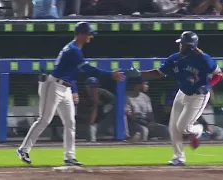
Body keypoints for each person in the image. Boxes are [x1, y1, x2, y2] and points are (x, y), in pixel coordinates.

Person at [16, 21, 124, 166]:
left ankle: (69, 156)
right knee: (45, 119)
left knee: (70, 122)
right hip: (53, 86)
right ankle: (23, 149)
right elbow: (87, 69)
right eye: (88, 34)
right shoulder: (72, 49)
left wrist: (73, 90)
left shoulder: (76, 49)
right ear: (80, 34)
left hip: (65, 87)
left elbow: (71, 73)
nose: (90, 37)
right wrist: (110, 74)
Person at [139, 31, 223, 166]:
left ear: (191, 46)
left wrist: (208, 86)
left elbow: (219, 75)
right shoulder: (175, 58)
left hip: (198, 96)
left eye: (184, 45)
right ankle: (178, 157)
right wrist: (139, 73)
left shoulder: (203, 59)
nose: (181, 47)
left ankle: (198, 130)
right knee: (173, 127)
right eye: (181, 44)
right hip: (182, 92)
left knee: (183, 127)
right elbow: (158, 73)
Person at [126, 77, 170, 141]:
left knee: (166, 130)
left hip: (146, 122)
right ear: (137, 85)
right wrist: (138, 119)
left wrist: (152, 123)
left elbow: (150, 114)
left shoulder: (145, 97)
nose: (147, 86)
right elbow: (128, 114)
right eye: (145, 84)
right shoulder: (126, 96)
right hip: (133, 123)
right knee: (144, 130)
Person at [77, 77, 116, 142]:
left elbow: (116, 100)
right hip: (86, 122)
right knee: (90, 126)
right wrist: (95, 103)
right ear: (86, 87)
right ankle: (92, 142)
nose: (93, 89)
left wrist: (108, 106)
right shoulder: (82, 95)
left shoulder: (102, 92)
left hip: (103, 120)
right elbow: (90, 119)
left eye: (95, 86)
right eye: (91, 87)